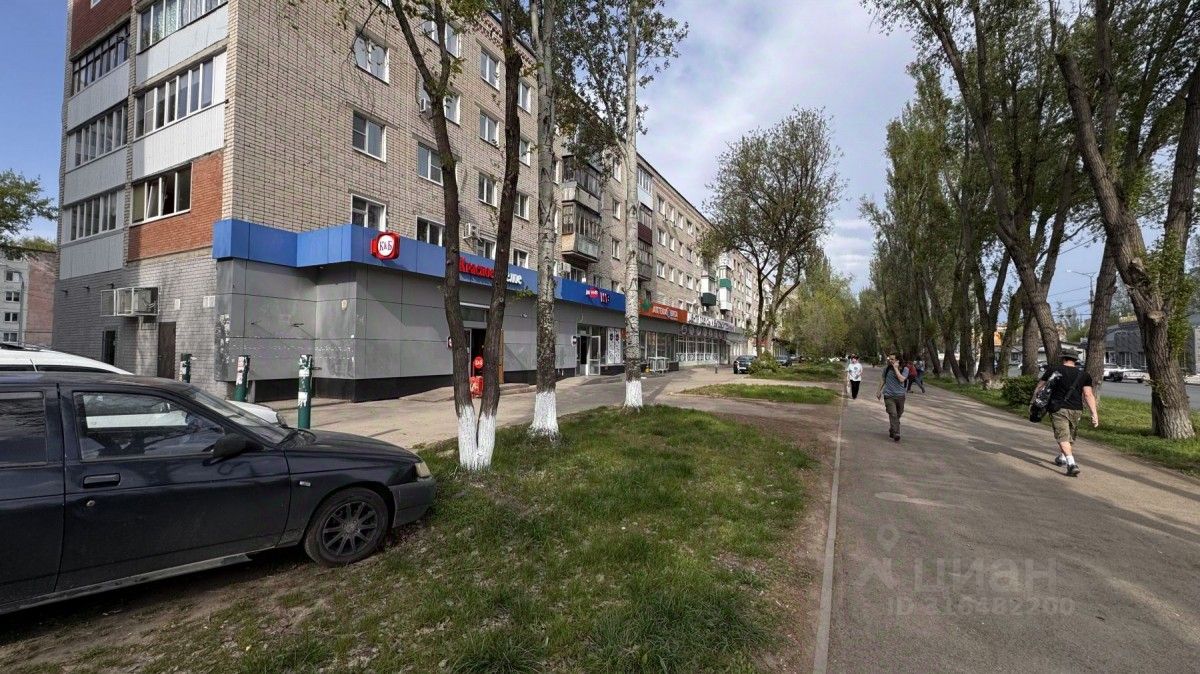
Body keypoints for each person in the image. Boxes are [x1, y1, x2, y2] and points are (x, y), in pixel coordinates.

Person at [1034, 350, 1099, 476]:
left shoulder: (1054, 370)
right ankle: (1063, 457)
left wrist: (1034, 402)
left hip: (1058, 408)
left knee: (1063, 436)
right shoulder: (1084, 375)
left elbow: (1040, 387)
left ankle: (1071, 464)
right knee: (1069, 436)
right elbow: (1088, 394)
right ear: (1075, 360)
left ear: (1063, 358)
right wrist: (1094, 414)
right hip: (1077, 409)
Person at [876, 353, 909, 441]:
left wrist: (896, 368)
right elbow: (883, 379)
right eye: (889, 359)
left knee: (898, 415)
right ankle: (896, 433)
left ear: (898, 360)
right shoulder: (886, 369)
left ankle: (892, 429)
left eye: (892, 359)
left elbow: (901, 379)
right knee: (893, 414)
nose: (890, 361)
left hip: (900, 396)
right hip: (888, 395)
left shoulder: (905, 369)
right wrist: (879, 391)